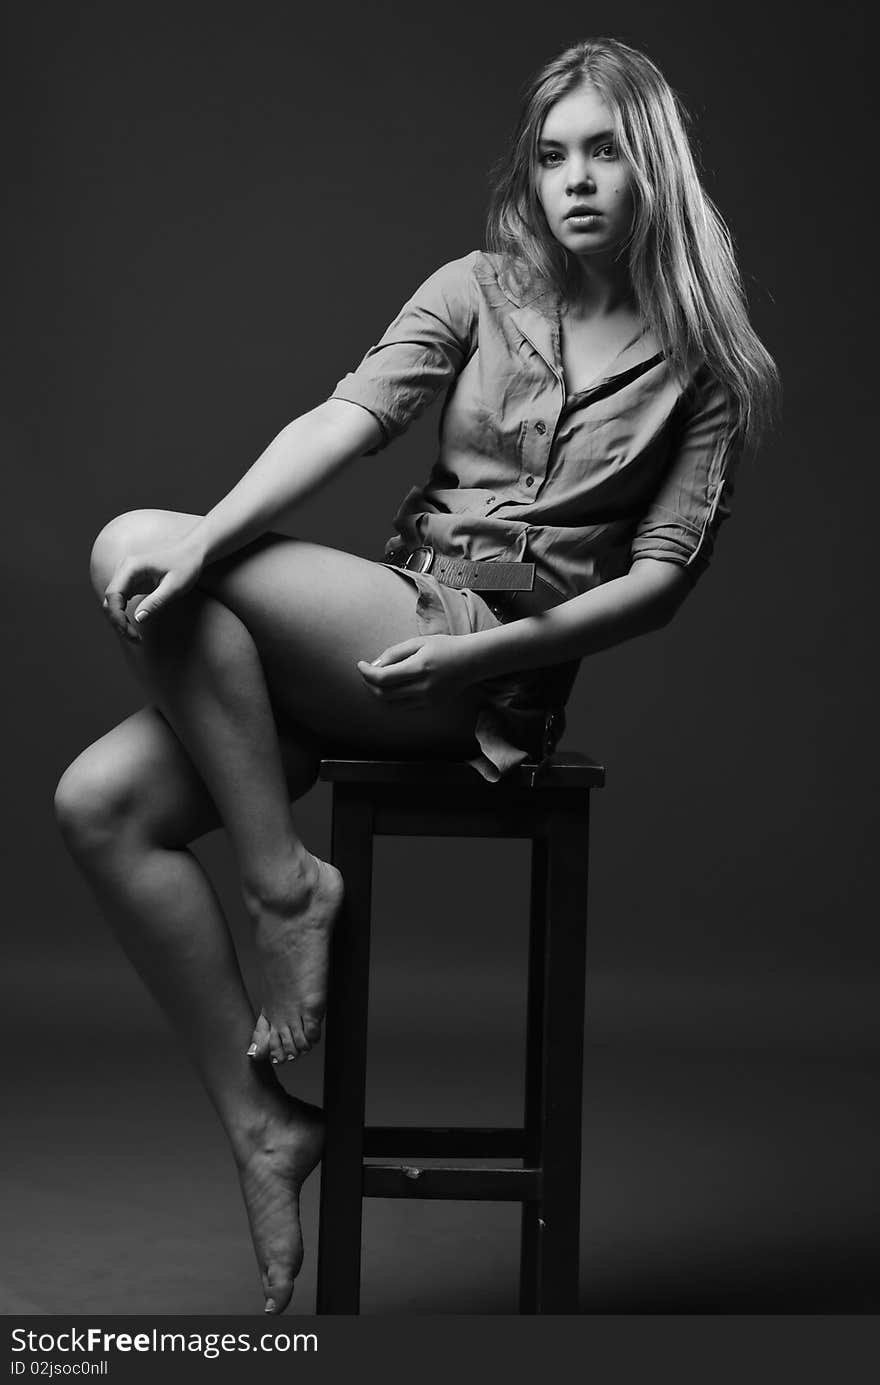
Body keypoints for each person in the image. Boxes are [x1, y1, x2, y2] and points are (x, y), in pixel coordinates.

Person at [53, 37, 778, 1315]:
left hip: (473, 670)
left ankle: (284, 886)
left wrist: (480, 650)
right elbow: (348, 416)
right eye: (552, 155)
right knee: (99, 803)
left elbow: (657, 581)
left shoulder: (703, 365)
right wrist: (215, 535)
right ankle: (263, 1119)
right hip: (384, 620)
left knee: (134, 546)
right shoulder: (475, 287)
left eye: (604, 149)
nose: (575, 179)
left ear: (652, 162)